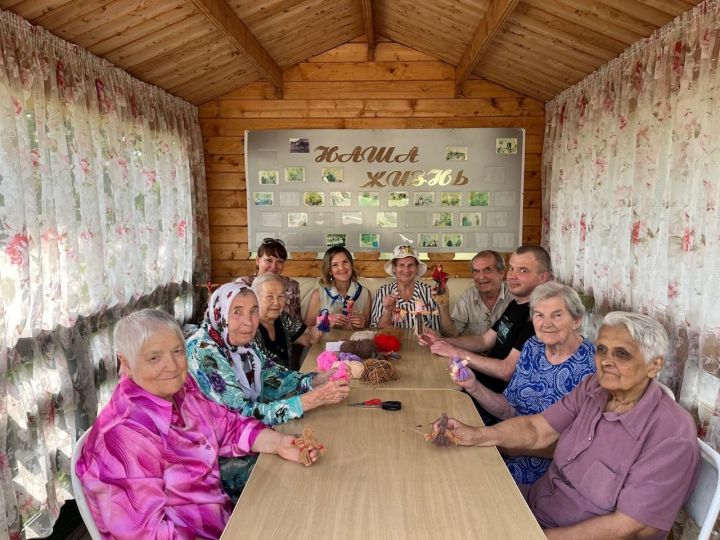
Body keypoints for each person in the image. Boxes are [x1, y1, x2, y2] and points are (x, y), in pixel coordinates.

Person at [433, 312, 700, 539]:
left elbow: (628, 526)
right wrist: (476, 434)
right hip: (537, 506)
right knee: (448, 499)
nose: (606, 361)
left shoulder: (671, 432)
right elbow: (537, 429)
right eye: (602, 350)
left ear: (654, 366)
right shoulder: (594, 388)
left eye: (622, 354)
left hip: (560, 534)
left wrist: (535, 536)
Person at [76, 309, 318, 539]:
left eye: (177, 351)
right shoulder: (124, 434)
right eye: (154, 357)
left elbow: (228, 425)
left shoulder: (183, 391)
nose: (171, 366)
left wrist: (280, 443)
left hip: (223, 522)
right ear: (126, 364)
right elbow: (145, 534)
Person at [186, 282, 349, 498]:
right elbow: (240, 415)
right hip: (213, 457)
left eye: (254, 311)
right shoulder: (202, 351)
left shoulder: (242, 343)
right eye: (237, 312)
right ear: (220, 312)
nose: (248, 321)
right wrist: (307, 401)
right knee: (301, 482)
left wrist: (314, 380)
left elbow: (272, 377)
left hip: (251, 438)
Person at [452, 282, 595, 484]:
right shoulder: (533, 347)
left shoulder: (591, 366)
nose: (546, 324)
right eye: (539, 315)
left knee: (470, 478)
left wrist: (499, 445)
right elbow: (509, 410)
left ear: (576, 320)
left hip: (549, 464)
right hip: (508, 438)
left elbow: (574, 448)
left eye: (557, 315)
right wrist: (473, 385)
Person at [419, 245, 551, 424]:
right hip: (479, 384)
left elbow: (506, 371)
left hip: (496, 402)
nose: (512, 275)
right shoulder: (517, 304)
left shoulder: (538, 317)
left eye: (523, 270)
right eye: (512, 268)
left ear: (542, 277)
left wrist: (454, 352)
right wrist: (441, 340)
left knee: (426, 408)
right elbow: (485, 340)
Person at [253, 272, 322, 370]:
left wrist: (323, 323)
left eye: (281, 296)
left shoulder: (283, 318)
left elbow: (310, 338)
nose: (276, 303)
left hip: (290, 378)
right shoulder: (250, 329)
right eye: (269, 297)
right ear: (255, 298)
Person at [436, 250, 513, 337]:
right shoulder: (468, 296)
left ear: (501, 273)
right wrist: (443, 306)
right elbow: (452, 333)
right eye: (476, 271)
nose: (480, 276)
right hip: (475, 349)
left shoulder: (515, 296)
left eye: (487, 270)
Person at [370, 244, 439, 332]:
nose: (406, 270)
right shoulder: (382, 292)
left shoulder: (430, 292)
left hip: (423, 344)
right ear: (394, 268)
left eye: (411, 265)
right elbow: (377, 331)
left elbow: (437, 330)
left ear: (417, 268)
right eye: (401, 265)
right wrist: (388, 311)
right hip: (392, 344)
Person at [304, 246, 372, 330]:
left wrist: (363, 323)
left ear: (351, 264)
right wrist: (326, 323)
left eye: (345, 262)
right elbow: (307, 330)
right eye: (335, 265)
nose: (342, 268)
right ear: (329, 270)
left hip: (353, 342)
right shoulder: (318, 294)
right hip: (325, 342)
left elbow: (368, 328)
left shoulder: (364, 293)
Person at [236, 237, 301, 319]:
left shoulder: (292, 285)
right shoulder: (243, 284)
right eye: (269, 260)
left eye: (279, 261)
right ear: (258, 260)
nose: (274, 266)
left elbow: (296, 319)